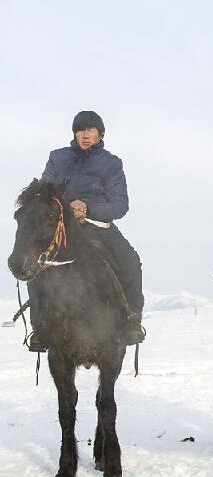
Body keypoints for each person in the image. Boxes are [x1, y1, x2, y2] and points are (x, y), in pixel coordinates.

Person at [28, 110, 145, 350]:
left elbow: (120, 205)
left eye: (91, 130)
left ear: (100, 134)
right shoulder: (57, 158)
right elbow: (43, 191)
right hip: (60, 227)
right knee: (36, 261)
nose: (85, 135)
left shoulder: (111, 163)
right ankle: (40, 328)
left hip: (96, 225)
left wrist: (88, 208)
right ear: (74, 134)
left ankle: (132, 321)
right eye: (80, 130)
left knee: (131, 261)